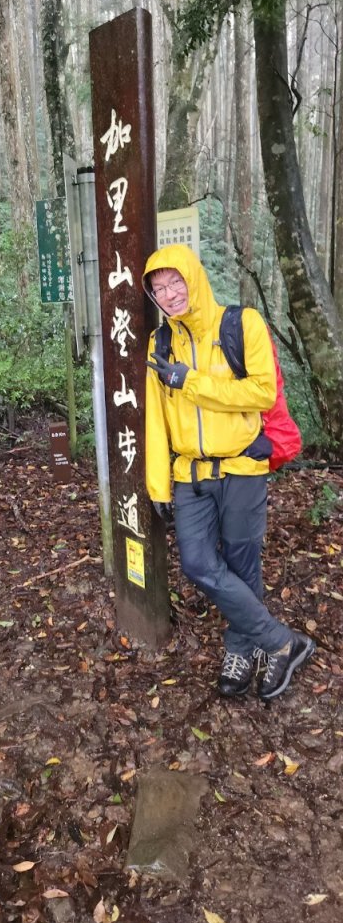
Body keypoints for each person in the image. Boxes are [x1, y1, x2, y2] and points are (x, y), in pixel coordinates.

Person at [143, 243, 315, 701]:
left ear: (193, 278)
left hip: (241, 468)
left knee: (241, 564)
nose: (169, 294)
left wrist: (191, 381)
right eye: (159, 289)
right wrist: (158, 483)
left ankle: (240, 650)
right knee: (198, 563)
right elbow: (155, 421)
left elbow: (261, 394)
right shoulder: (160, 343)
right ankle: (280, 640)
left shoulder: (242, 324)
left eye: (174, 282)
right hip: (189, 477)